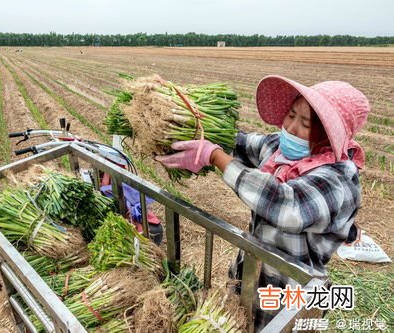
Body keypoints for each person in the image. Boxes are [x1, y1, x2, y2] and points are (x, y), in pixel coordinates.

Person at [156, 75, 370, 331]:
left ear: (328, 135)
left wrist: (214, 156)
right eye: (291, 115)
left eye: (306, 123)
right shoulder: (281, 149)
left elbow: (284, 205)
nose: (291, 128)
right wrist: (176, 113)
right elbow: (240, 143)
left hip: (290, 292)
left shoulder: (338, 179)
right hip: (251, 272)